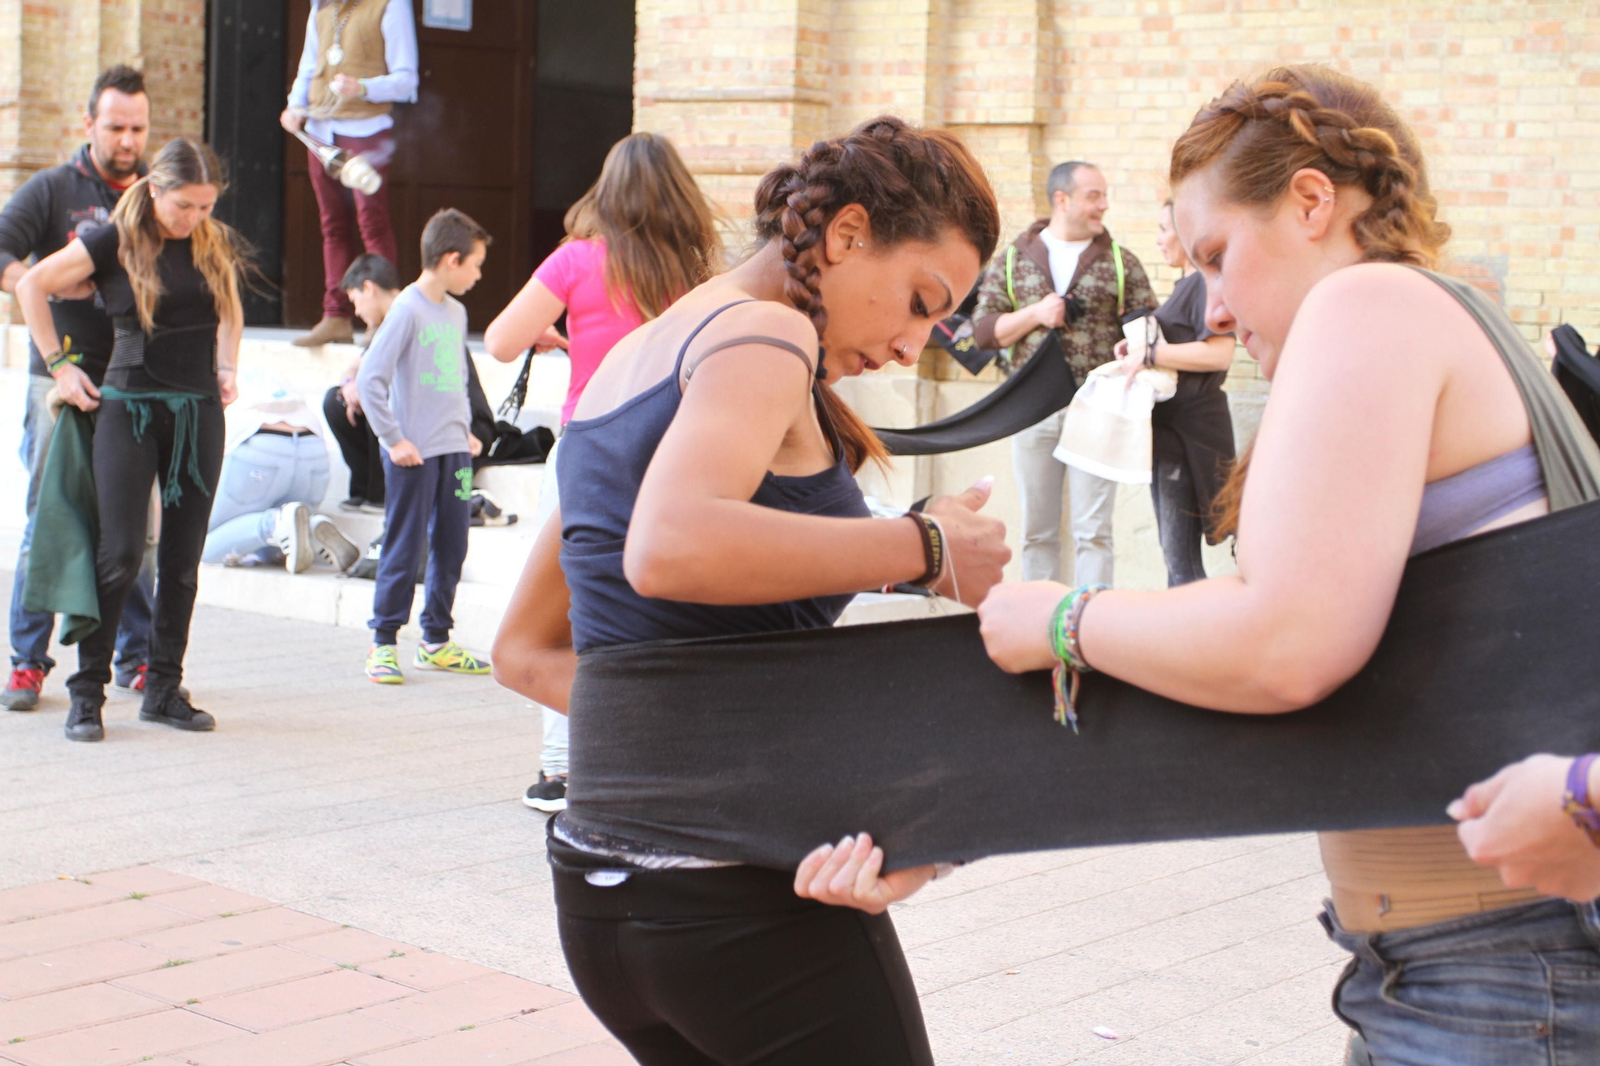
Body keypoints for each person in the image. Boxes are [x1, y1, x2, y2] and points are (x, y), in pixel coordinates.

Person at [976, 66, 1600, 1064]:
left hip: (1496, 973)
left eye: (1219, 256)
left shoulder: (1369, 305)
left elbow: (1285, 643)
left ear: (1312, 200)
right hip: (1465, 965)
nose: (1213, 307)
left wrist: (1063, 618)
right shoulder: (1438, 311)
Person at [490, 115, 1009, 1066]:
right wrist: (925, 547)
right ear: (848, 235)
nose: (913, 344)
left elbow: (524, 652)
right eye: (920, 300)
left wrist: (709, 733)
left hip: (605, 897)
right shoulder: (766, 336)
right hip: (734, 895)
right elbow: (672, 548)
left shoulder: (640, 356)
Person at [483, 131, 722, 814]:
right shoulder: (697, 275)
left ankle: (564, 768)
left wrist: (556, 325)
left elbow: (499, 340)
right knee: (654, 602)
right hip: (672, 451)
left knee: (566, 610)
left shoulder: (577, 261)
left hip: (589, 450)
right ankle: (649, 754)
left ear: (607, 192)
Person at [17, 138, 246, 743]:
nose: (194, 218)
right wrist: (60, 367)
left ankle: (164, 688)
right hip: (128, 408)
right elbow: (31, 286)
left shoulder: (211, 241)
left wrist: (228, 366)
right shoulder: (112, 240)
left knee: (181, 560)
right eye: (184, 207)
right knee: (118, 553)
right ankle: (87, 694)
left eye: (205, 206)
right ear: (155, 190)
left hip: (199, 410)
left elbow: (230, 308)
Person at [0, 64, 164, 710]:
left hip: (133, 386)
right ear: (88, 123)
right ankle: (26, 660)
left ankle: (139, 658)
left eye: (138, 128)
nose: (128, 140)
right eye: (116, 126)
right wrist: (39, 279)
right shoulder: (52, 190)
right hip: (59, 382)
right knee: (51, 517)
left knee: (136, 530)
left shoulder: (157, 197)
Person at [971, 161, 1155, 586]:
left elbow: (1148, 324)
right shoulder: (1016, 258)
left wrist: (1140, 352)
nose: (1103, 205)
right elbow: (983, 333)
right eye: (1094, 196)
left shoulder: (1120, 262)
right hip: (1030, 410)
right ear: (1062, 199)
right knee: (1038, 532)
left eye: (1104, 196)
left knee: (1094, 532)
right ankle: (1038, 624)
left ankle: (1091, 630)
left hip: (1097, 410)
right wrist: (1037, 313)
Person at [356, 209, 493, 684]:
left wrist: (465, 431)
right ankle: (383, 643)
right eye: (474, 265)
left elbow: (453, 379)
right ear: (451, 260)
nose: (477, 275)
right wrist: (393, 439)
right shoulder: (408, 309)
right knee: (405, 543)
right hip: (413, 455)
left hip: (453, 450)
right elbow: (371, 379)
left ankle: (436, 640)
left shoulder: (455, 312)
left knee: (452, 543)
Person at [1109, 199, 1236, 585]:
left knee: (1181, 564)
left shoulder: (1201, 282)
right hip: (1172, 435)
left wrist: (1150, 354)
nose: (1160, 240)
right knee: (1177, 560)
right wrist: (1139, 353)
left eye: (1165, 230)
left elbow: (1219, 353)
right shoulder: (1189, 284)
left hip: (1187, 438)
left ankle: (1190, 642)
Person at [280, 0, 417, 348]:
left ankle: (382, 319)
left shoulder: (391, 5)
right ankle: (336, 315)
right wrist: (295, 106)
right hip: (321, 130)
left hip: (367, 129)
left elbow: (406, 80)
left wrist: (364, 87)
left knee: (372, 222)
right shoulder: (321, 6)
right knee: (333, 225)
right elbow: (308, 65)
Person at [325, 253, 494, 511]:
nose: (356, 311)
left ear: (368, 288)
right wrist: (350, 382)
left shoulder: (410, 312)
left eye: (355, 300)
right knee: (336, 400)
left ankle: (382, 492)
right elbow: (362, 366)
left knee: (384, 396)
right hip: (422, 417)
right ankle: (367, 488)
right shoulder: (393, 319)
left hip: (459, 426)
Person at [202, 367, 360, 573]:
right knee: (273, 544)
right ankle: (311, 527)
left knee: (204, 544)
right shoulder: (257, 374)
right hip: (314, 448)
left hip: (256, 445)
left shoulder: (219, 378)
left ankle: (274, 523)